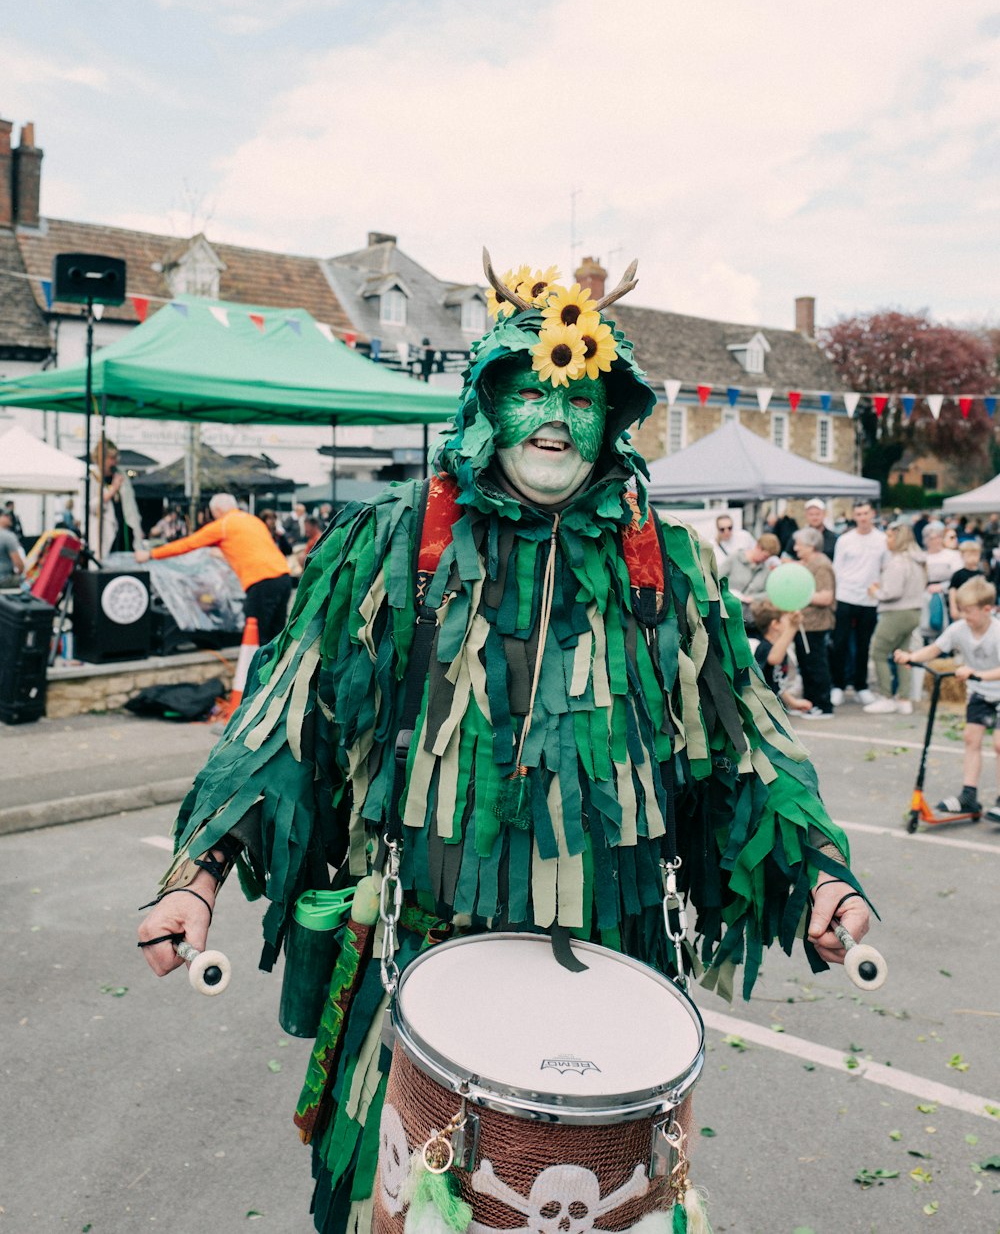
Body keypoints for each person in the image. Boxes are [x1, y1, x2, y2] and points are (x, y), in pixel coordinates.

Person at [137, 259, 871, 1233]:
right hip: (423, 943)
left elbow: (751, 743)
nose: (555, 420)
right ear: (487, 405)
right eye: (530, 391)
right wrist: (198, 873)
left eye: (578, 397)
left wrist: (820, 871)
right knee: (396, 1206)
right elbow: (284, 716)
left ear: (614, 418)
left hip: (618, 958)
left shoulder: (673, 571)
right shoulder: (392, 545)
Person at [895, 576, 1000, 821]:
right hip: (980, 694)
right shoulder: (959, 629)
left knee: (998, 744)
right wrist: (912, 657)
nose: (964, 616)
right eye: (961, 611)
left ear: (988, 609)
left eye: (969, 612)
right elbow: (935, 649)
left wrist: (978, 674)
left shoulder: (997, 632)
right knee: (970, 739)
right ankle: (968, 795)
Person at [136, 492, 292, 644]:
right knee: (277, 634)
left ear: (217, 511)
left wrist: (151, 554)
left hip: (262, 580)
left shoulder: (223, 525)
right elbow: (252, 548)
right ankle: (279, 669)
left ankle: (259, 669)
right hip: (283, 576)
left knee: (258, 635)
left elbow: (188, 544)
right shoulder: (253, 520)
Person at [863, 523, 926, 714]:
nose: (886, 541)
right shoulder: (918, 560)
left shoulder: (898, 562)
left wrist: (876, 591)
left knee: (878, 653)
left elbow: (892, 592)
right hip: (914, 612)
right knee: (903, 656)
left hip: (896, 612)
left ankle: (886, 696)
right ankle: (904, 698)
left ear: (898, 539)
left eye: (890, 537)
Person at [829, 501, 886, 704]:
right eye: (859, 514)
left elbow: (884, 568)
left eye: (866, 513)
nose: (863, 517)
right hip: (845, 596)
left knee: (864, 644)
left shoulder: (882, 540)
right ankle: (838, 685)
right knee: (840, 643)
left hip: (869, 599)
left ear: (872, 514)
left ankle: (861, 686)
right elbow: (837, 569)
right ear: (854, 516)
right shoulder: (845, 540)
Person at [791, 527, 836, 719]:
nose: (795, 548)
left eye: (799, 544)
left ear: (811, 545)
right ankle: (810, 703)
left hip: (816, 624)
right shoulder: (808, 563)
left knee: (816, 664)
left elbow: (826, 597)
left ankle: (823, 704)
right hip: (804, 623)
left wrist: (800, 595)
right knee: (806, 664)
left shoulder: (821, 564)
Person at [749, 600, 813, 715]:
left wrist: (793, 702)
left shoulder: (781, 650)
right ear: (775, 625)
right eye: (788, 620)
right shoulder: (764, 647)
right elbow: (774, 659)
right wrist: (792, 628)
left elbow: (778, 683)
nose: (792, 622)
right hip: (762, 710)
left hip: (774, 709)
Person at [88, 439, 144, 555]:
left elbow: (131, 505)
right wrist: (112, 490)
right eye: (111, 458)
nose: (114, 462)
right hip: (106, 534)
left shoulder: (121, 475)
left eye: (115, 458)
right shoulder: (92, 477)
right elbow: (91, 507)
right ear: (101, 459)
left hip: (126, 530)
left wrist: (138, 527)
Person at [725, 531, 781, 627]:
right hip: (729, 612)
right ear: (758, 547)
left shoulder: (766, 569)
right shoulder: (735, 559)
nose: (766, 560)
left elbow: (769, 593)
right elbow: (717, 578)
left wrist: (753, 598)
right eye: (765, 556)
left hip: (749, 618)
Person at [920, 521, 962, 644]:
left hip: (948, 597)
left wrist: (942, 587)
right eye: (933, 538)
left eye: (939, 537)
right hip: (926, 597)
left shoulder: (953, 555)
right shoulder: (922, 557)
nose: (936, 541)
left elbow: (958, 577)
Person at [949, 538, 986, 621]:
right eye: (969, 555)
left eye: (976, 555)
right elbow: (952, 591)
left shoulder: (981, 574)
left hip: (977, 609)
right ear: (962, 556)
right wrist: (953, 608)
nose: (973, 558)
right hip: (962, 610)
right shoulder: (958, 574)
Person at [0, 509, 25, 588]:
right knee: (29, 580)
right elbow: (18, 564)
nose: (10, 517)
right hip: (4, 579)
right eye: (6, 516)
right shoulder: (8, 536)